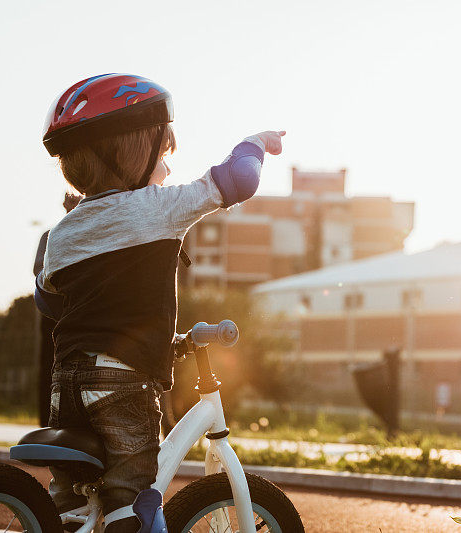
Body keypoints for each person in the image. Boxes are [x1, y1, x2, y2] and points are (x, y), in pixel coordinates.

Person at [34, 73, 284, 532]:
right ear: (134, 153)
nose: (167, 165)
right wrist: (255, 142)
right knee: (134, 500)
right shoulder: (156, 208)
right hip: (121, 384)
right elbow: (239, 180)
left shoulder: (61, 233)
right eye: (163, 153)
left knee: (74, 502)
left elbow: (49, 301)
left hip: (64, 383)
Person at [34, 192, 81, 427]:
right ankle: (47, 423)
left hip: (80, 312)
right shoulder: (50, 235)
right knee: (50, 369)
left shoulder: (88, 234)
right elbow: (39, 270)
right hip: (53, 315)